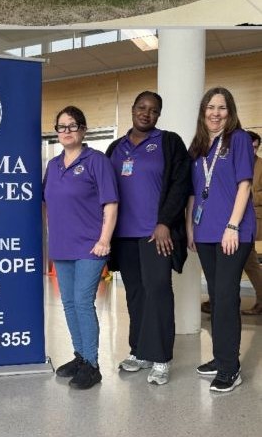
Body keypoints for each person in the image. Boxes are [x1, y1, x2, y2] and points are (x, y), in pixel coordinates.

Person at [104, 91, 191, 384]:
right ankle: (139, 351)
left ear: (159, 115)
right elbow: (104, 191)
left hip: (157, 234)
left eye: (153, 110)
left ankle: (161, 357)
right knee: (135, 294)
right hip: (124, 236)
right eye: (142, 107)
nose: (146, 113)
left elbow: (181, 184)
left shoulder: (169, 142)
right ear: (132, 109)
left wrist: (165, 222)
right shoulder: (116, 147)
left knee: (158, 291)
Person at [187, 87, 256, 394]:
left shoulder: (238, 139)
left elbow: (244, 185)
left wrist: (233, 225)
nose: (215, 113)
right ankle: (219, 357)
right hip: (204, 232)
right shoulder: (199, 146)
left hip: (232, 232)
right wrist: (191, 227)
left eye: (222, 108)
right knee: (216, 297)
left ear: (230, 112)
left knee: (227, 298)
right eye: (210, 107)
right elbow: (193, 192)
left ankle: (230, 368)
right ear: (203, 112)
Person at [44, 105, 118, 391]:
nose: (66, 131)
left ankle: (93, 365)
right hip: (61, 246)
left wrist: (104, 239)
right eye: (61, 127)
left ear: (83, 129)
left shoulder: (96, 161)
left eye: (72, 126)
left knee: (83, 302)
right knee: (69, 303)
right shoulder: (53, 165)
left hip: (91, 245)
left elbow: (111, 203)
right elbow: (46, 202)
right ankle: (80, 355)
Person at [243, 130, 262, 316]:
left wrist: (249, 194)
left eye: (255, 147)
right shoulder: (236, 163)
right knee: (244, 260)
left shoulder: (260, 165)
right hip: (234, 220)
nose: (252, 151)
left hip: (252, 219)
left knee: (249, 260)